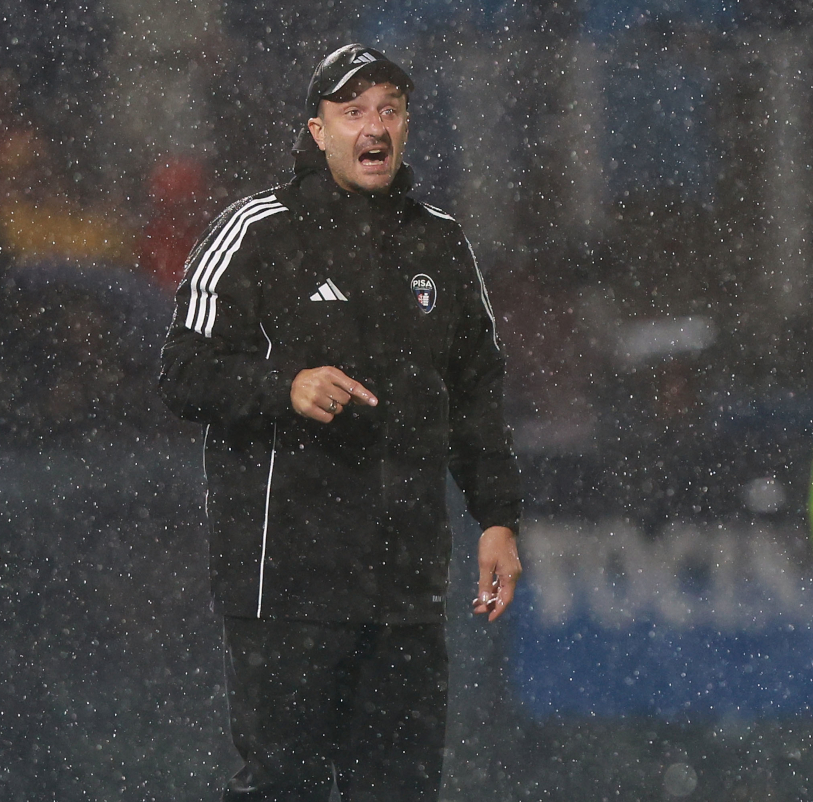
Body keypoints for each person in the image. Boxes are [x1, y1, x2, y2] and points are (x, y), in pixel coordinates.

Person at [158, 44, 522, 801]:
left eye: (389, 110)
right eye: (353, 111)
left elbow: (478, 392)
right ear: (316, 131)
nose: (374, 127)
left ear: (408, 126)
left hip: (404, 589)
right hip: (288, 581)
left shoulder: (439, 241)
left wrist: (496, 518)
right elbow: (182, 373)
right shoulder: (256, 232)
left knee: (402, 788)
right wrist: (282, 387)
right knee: (282, 785)